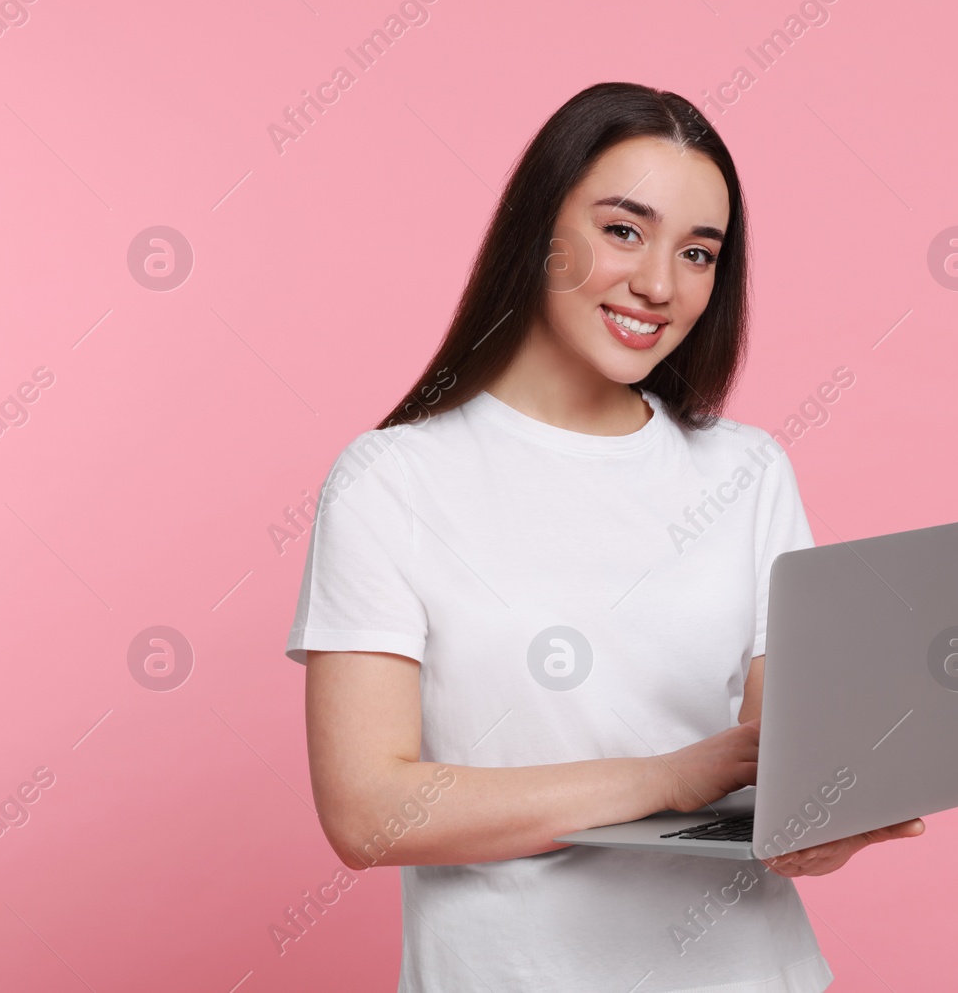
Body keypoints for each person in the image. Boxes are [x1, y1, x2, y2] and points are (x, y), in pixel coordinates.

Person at [285, 81, 923, 992]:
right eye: (624, 230)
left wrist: (819, 819)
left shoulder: (746, 471)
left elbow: (783, 751)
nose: (660, 285)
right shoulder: (391, 482)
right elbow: (367, 810)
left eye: (699, 252)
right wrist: (671, 775)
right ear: (538, 229)